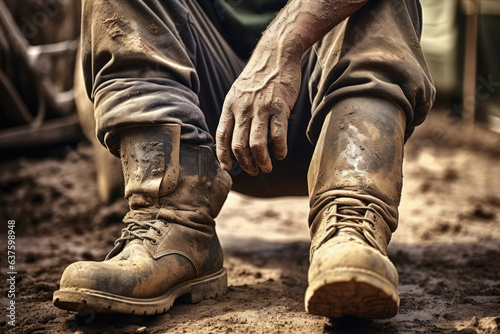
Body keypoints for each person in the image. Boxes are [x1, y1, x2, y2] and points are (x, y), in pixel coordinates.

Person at [53, 0, 435, 319]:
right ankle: (169, 219)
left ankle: (349, 221)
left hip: (322, 110)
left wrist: (283, 45)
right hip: (202, 121)